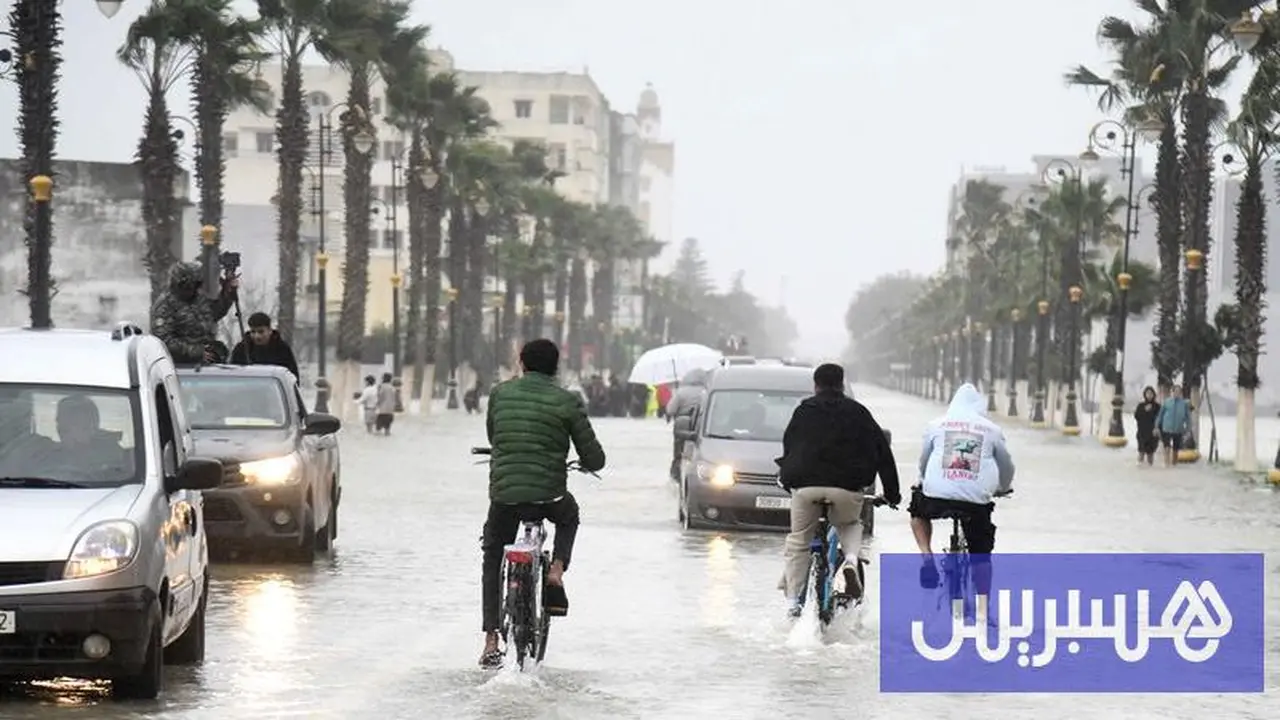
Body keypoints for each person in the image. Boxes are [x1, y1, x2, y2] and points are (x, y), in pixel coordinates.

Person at [479, 339, 606, 668]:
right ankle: (556, 569)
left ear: (521, 363)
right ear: (556, 367)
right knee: (569, 515)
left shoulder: (500, 394)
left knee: (493, 552)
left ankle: (491, 638)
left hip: (505, 495)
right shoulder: (567, 401)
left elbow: (495, 436)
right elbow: (594, 457)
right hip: (549, 494)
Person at [776, 363, 901, 616]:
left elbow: (789, 447)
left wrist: (787, 478)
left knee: (799, 540)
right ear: (842, 384)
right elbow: (882, 454)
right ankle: (851, 561)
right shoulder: (859, 412)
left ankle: (791, 603)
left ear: (816, 385)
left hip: (806, 486)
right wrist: (892, 494)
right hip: (847, 488)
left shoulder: (803, 411)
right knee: (849, 525)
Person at [911, 383, 1014, 618]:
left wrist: (922, 481)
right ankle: (983, 609)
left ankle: (927, 555)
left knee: (917, 511)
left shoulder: (935, 425)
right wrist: (1003, 488)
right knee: (981, 554)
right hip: (975, 502)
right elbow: (1006, 466)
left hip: (936, 495)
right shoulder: (992, 430)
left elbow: (924, 461)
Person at [151, 261, 238, 364]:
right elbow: (164, 340)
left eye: (195, 285)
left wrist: (227, 291)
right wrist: (196, 352)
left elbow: (215, 312)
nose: (192, 290)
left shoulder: (198, 298)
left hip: (206, 362)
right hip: (180, 366)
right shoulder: (165, 305)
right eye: (188, 286)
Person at [665, 369, 707, 480]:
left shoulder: (681, 392)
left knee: (679, 453)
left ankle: (676, 475)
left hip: (682, 426)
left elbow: (670, 410)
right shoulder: (706, 392)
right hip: (700, 427)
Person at [230, 312, 299, 379]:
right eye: (253, 332)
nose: (257, 336)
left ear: (270, 331)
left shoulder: (282, 349)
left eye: (261, 332)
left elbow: (292, 378)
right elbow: (232, 375)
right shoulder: (241, 350)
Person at [1155, 383, 1192, 467]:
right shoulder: (1167, 402)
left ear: (1181, 393)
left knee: (1176, 450)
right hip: (1166, 428)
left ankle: (1174, 465)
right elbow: (1160, 415)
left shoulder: (1184, 404)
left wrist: (1188, 429)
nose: (1177, 393)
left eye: (1179, 392)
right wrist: (1156, 426)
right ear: (1172, 392)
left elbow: (1188, 417)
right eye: (1175, 391)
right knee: (1167, 447)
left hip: (1178, 429)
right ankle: (1166, 464)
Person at [1134, 386, 1160, 466]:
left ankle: (1150, 469)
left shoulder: (1157, 406)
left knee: (1150, 453)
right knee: (1141, 451)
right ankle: (1140, 469)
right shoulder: (1141, 405)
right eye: (1147, 393)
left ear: (1154, 394)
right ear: (1145, 394)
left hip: (1153, 433)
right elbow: (1136, 416)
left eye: (1151, 393)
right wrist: (1144, 410)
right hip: (1142, 432)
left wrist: (1158, 429)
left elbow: (1160, 418)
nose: (1149, 395)